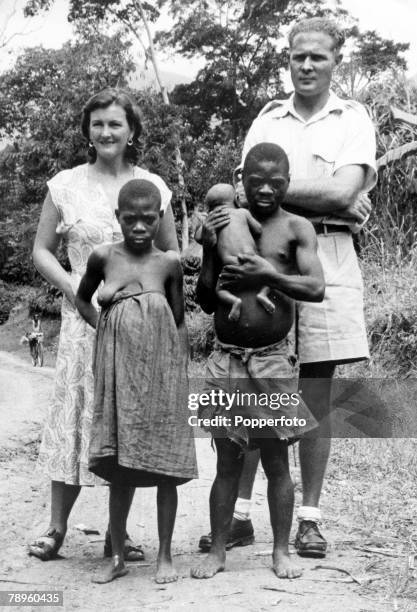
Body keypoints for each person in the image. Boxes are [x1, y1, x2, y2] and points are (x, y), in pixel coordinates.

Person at [199, 17, 377, 558]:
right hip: (259, 255)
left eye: (318, 57)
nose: (306, 66)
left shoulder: (353, 118)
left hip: (325, 255)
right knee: (254, 393)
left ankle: (309, 519)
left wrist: (282, 191)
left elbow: (339, 192)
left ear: (334, 62)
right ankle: (244, 517)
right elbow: (247, 192)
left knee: (315, 395)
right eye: (298, 56)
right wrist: (324, 195)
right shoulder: (267, 118)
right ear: (288, 58)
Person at [28, 88, 179, 561]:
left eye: (115, 124)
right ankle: (56, 528)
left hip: (138, 331)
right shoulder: (65, 184)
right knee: (73, 418)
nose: (106, 132)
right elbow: (40, 251)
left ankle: (120, 533)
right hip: (83, 323)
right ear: (87, 131)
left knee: (126, 423)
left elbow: (171, 254)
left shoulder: (152, 185)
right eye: (97, 124)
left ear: (131, 130)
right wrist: (76, 291)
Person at [191, 142, 325, 580]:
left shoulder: (296, 228)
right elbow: (206, 297)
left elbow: (315, 287)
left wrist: (268, 275)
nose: (266, 188)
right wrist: (210, 247)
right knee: (227, 461)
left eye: (276, 181)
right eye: (256, 180)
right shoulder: (224, 221)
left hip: (272, 362)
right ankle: (218, 553)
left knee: (276, 462)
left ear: (288, 182)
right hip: (228, 360)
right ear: (240, 180)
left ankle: (281, 551)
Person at [75, 179, 197, 584]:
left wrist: (180, 370)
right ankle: (116, 558)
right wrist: (104, 326)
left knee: (165, 463)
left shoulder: (168, 264)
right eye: (131, 219)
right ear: (118, 218)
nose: (140, 227)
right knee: (118, 465)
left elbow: (178, 320)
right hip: (118, 373)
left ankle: (165, 555)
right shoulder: (103, 258)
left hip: (161, 375)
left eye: (149, 219)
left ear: (159, 218)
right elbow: (82, 299)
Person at [205, 183, 275, 320]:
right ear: (237, 199)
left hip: (230, 263)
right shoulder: (243, 213)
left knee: (220, 290)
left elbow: (199, 237)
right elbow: (258, 230)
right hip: (251, 258)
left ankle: (235, 302)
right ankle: (263, 294)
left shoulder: (212, 221)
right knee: (272, 274)